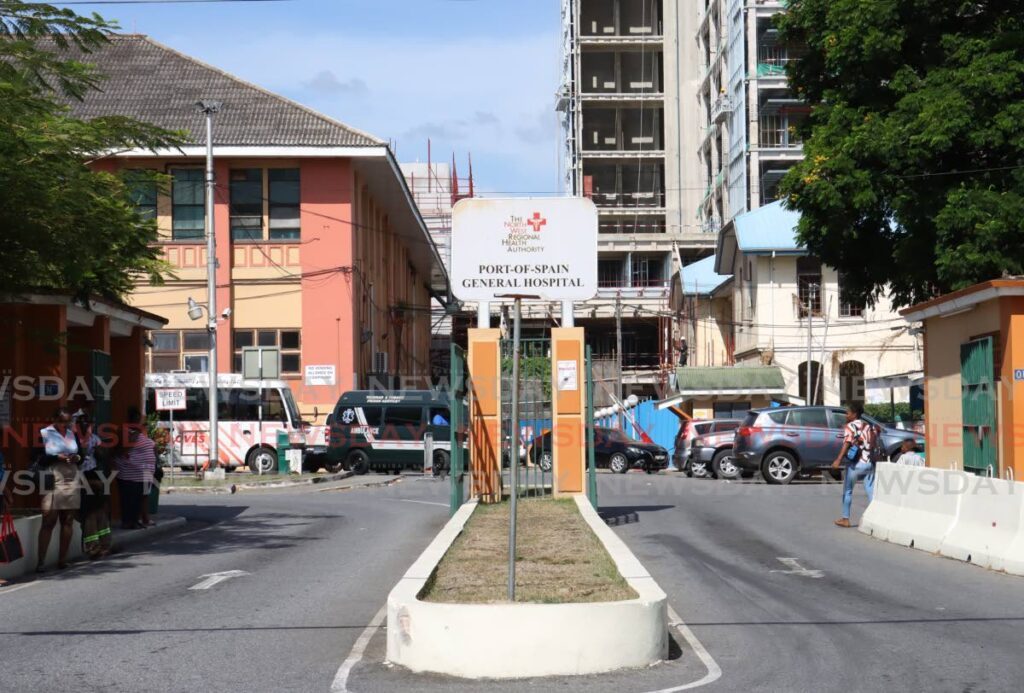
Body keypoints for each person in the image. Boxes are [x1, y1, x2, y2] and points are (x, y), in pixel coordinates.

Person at [37, 407, 82, 571]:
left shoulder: (72, 433)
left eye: (68, 422)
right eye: (62, 422)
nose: (65, 425)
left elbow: (81, 454)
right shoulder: (44, 433)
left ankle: (62, 559)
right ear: (55, 420)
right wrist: (57, 457)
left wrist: (77, 457)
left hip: (70, 476)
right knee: (48, 519)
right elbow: (37, 458)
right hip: (52, 476)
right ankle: (40, 561)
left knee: (67, 519)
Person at [831, 402, 877, 528]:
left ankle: (845, 519)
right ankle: (876, 517)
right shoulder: (869, 426)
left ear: (854, 414)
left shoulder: (850, 426)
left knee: (848, 491)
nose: (846, 415)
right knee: (870, 490)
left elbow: (847, 443)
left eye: (848, 413)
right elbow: (874, 443)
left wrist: (838, 459)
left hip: (856, 464)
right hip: (869, 463)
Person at [76, 415, 112, 558]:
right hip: (79, 476)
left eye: (88, 424)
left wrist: (99, 450)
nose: (86, 427)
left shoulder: (94, 439)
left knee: (101, 510)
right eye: (83, 424)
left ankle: (104, 544)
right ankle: (92, 546)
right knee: (89, 513)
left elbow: (103, 455)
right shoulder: (73, 440)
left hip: (93, 473)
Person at [116, 407, 155, 530]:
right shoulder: (125, 431)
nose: (138, 422)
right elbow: (125, 448)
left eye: (139, 419)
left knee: (140, 497)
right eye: (136, 419)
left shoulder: (140, 432)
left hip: (145, 472)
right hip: (131, 472)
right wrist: (138, 431)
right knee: (129, 498)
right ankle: (128, 521)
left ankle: (137, 519)